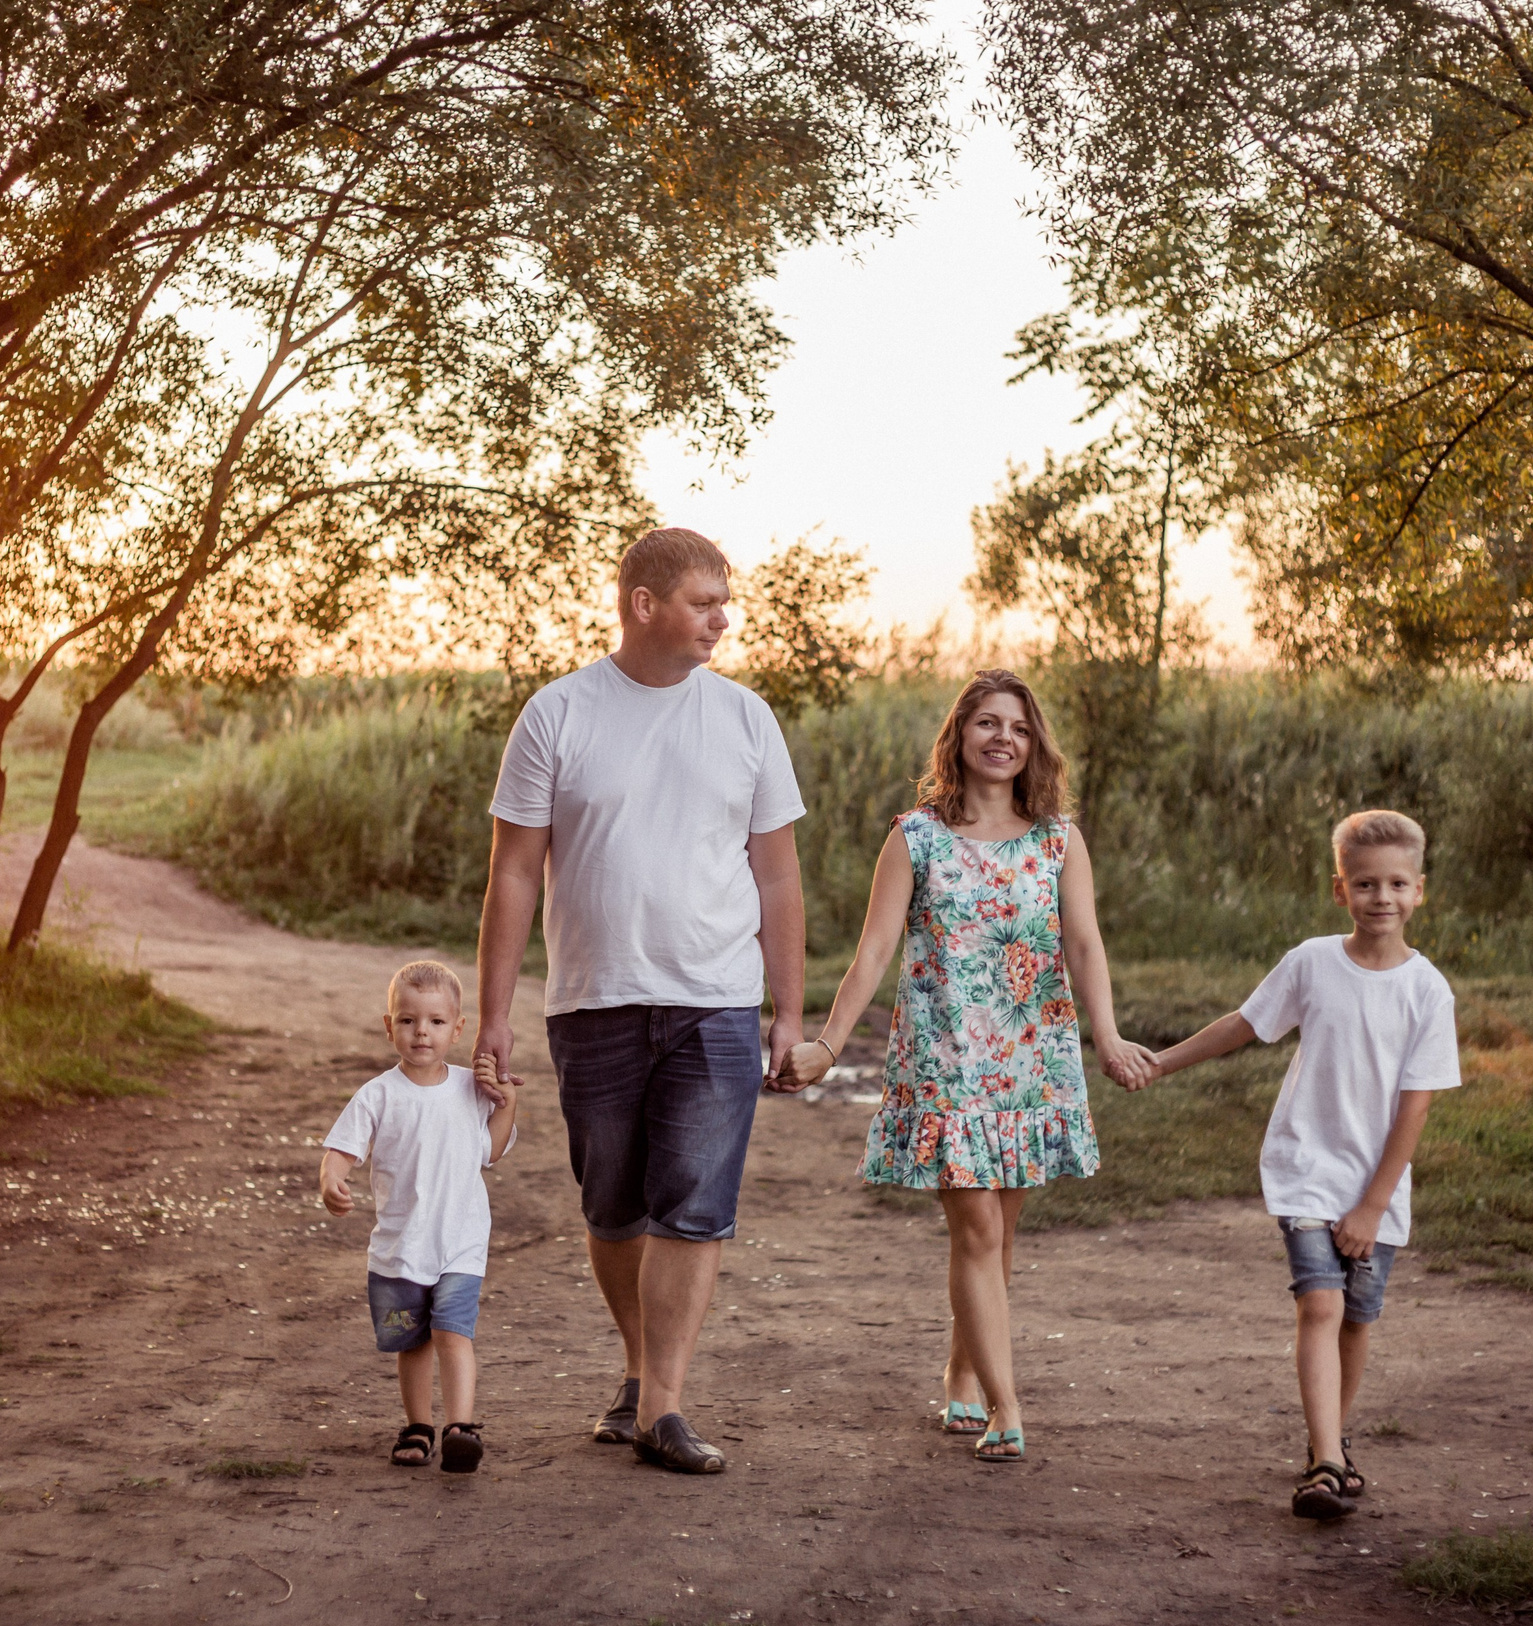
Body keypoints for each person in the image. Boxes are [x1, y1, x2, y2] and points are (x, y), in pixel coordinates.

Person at [475, 526, 807, 1475]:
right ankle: (637, 1368)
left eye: (724, 601)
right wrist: (494, 1017)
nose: (721, 619)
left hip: (714, 1001)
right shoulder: (557, 714)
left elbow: (777, 877)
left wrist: (786, 1011)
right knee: (613, 1206)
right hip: (594, 998)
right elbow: (513, 877)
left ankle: (664, 1407)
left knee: (693, 1207)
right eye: (704, 601)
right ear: (643, 604)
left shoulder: (746, 719)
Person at [777, 669, 1153, 1462]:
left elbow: (1083, 944)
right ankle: (1005, 1407)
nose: (1001, 738)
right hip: (944, 1056)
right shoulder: (916, 836)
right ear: (959, 736)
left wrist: (1107, 1036)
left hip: (1031, 1054)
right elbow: (874, 949)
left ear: (1032, 744)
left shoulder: (1057, 839)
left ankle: (959, 1374)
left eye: (1016, 727)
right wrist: (828, 1043)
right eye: (985, 723)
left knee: (999, 1238)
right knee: (977, 1228)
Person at [1142, 809, 1460, 1520]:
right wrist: (1161, 1063)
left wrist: (1374, 1204)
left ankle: (1331, 1446)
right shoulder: (1311, 962)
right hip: (1304, 1165)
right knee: (1319, 1302)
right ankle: (1322, 1463)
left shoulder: (1426, 991)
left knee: (1355, 1318)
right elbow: (1243, 1025)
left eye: (1396, 884)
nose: (1381, 897)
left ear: (1418, 892)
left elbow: (1414, 1107)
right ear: (1338, 889)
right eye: (1365, 883)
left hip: (1374, 1183)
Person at [319, 960, 519, 1474]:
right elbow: (343, 1147)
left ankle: (460, 1427)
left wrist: (507, 1102)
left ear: (458, 1029)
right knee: (413, 1343)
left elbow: (490, 1153)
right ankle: (417, 1426)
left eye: (434, 1021)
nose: (420, 1032)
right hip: (400, 1248)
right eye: (407, 1020)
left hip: (459, 1244)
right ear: (389, 1027)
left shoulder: (470, 1090)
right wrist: (331, 1177)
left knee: (454, 1333)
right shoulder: (378, 1095)